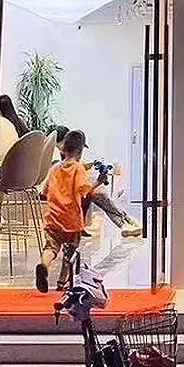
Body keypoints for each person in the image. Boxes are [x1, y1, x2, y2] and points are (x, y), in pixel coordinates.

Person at [36, 129, 106, 293]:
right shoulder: (78, 168)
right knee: (69, 251)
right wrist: (98, 182)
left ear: (63, 149)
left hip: (53, 218)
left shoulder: (55, 169)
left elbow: (44, 191)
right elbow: (84, 191)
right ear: (80, 151)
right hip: (72, 220)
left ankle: (43, 265)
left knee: (51, 248)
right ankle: (61, 282)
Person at [50, 124, 142, 239]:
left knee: (98, 193)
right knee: (98, 193)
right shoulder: (55, 154)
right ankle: (126, 221)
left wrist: (87, 167)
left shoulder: (63, 153)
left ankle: (124, 224)